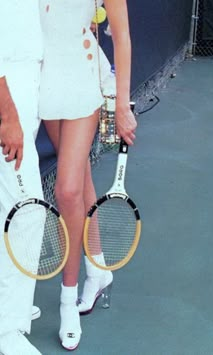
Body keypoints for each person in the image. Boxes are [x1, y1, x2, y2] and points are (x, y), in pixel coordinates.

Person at [39, 0, 137, 350]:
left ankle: (67, 301)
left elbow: (122, 36)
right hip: (46, 80)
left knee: (67, 191)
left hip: (84, 76)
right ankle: (99, 271)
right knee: (80, 183)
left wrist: (122, 105)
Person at [0, 1, 44, 354]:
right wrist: (8, 116)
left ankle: (12, 309)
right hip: (7, 94)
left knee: (9, 211)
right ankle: (6, 331)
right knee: (28, 213)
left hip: (25, 86)